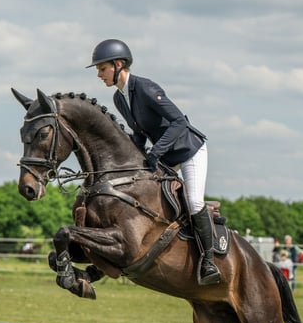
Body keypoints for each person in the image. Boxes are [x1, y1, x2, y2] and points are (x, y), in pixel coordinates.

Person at [87, 38, 220, 285]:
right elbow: (139, 133)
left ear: (118, 65)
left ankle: (209, 260)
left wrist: (155, 152)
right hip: (164, 154)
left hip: (188, 150)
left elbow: (179, 122)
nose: (99, 74)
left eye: (102, 68)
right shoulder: (119, 98)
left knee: (193, 201)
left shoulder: (146, 88)